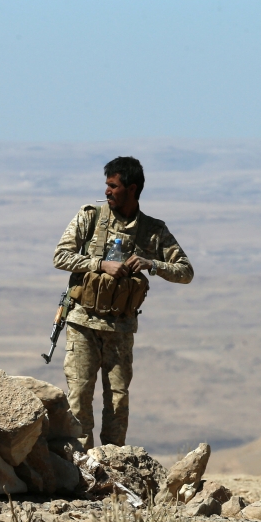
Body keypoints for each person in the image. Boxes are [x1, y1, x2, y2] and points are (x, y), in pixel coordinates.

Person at [52, 156, 193, 449]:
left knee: (117, 401)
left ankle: (112, 469)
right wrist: (100, 264)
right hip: (82, 323)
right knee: (78, 397)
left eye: (113, 186)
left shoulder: (153, 230)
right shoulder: (90, 217)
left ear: (132, 189)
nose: (107, 191)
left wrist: (152, 264)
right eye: (106, 185)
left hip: (121, 327)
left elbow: (185, 272)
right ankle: (81, 468)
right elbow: (60, 257)